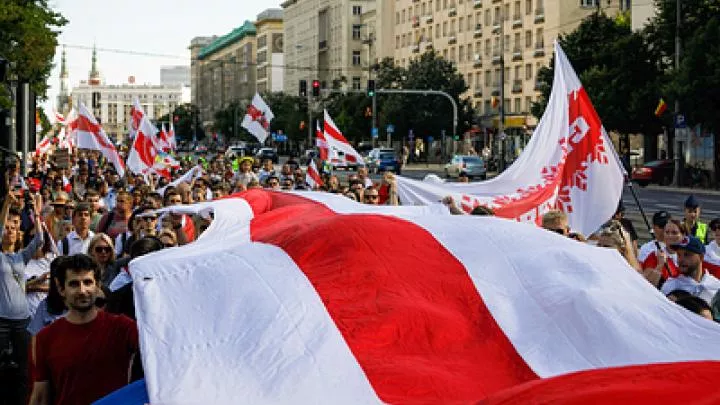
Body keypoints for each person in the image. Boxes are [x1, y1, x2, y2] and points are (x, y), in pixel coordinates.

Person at [30, 254, 139, 405]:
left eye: (88, 282)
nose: (82, 290)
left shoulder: (122, 328)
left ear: (97, 285)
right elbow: (41, 395)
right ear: (61, 288)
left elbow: (161, 351)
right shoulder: (45, 338)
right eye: (74, 284)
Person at [0, 192, 44, 405]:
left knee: (24, 368)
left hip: (22, 321)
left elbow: (40, 240)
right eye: (6, 228)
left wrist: (36, 214)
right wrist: (7, 206)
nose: (9, 231)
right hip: (2, 322)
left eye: (13, 228)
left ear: (19, 234)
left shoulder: (21, 257)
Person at [661, 236, 720, 304]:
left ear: (701, 257)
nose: (681, 259)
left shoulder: (716, 286)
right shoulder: (670, 286)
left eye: (687, 255)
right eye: (679, 255)